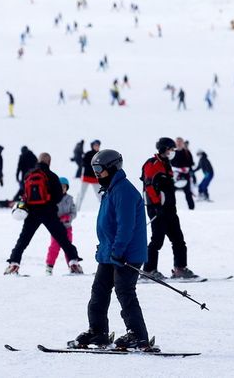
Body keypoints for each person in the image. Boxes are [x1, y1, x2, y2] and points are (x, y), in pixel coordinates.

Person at [71, 149, 152, 350]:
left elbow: (125, 226)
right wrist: (105, 248)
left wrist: (118, 250)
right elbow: (110, 225)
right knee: (99, 292)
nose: (96, 173)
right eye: (93, 169)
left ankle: (138, 335)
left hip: (126, 254)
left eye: (99, 168)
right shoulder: (110, 189)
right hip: (110, 252)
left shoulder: (123, 191)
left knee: (125, 292)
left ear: (112, 167)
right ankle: (98, 332)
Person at [5, 153, 83, 275]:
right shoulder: (52, 176)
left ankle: (13, 264)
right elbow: (58, 197)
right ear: (49, 162)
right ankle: (73, 263)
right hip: (49, 212)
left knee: (23, 240)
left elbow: (24, 193)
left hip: (32, 213)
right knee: (63, 239)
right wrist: (49, 203)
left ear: (38, 160)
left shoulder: (28, 175)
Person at [141, 137, 198, 279]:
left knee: (178, 239)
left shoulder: (167, 164)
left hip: (170, 209)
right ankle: (149, 270)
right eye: (171, 149)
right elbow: (149, 187)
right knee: (157, 240)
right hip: (157, 210)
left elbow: (166, 187)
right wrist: (156, 205)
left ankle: (180, 268)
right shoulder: (152, 164)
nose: (173, 152)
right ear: (164, 150)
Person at [45, 177, 77, 275]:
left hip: (67, 228)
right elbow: (49, 212)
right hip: (56, 228)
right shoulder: (52, 198)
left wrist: (68, 217)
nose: (62, 188)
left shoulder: (70, 199)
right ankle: (49, 267)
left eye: (64, 187)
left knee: (68, 247)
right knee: (54, 247)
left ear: (66, 188)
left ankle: (72, 265)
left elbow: (74, 213)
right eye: (60, 187)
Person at [170, 137, 195, 210]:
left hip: (185, 176)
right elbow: (169, 163)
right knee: (171, 193)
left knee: (188, 193)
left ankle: (192, 209)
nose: (179, 143)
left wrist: (186, 169)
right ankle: (171, 208)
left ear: (183, 143)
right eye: (177, 142)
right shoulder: (173, 152)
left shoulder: (187, 152)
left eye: (180, 142)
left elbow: (190, 163)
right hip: (174, 176)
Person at [77, 140, 101, 210]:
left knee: (99, 195)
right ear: (92, 146)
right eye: (95, 145)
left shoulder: (100, 155)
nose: (96, 147)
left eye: (98, 145)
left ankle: (104, 208)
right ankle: (76, 209)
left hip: (95, 178)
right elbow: (83, 164)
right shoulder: (88, 154)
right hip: (86, 177)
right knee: (81, 194)